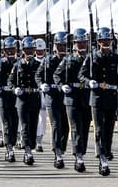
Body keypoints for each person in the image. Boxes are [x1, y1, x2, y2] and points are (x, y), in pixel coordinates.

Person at [78, 27, 118, 176]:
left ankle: (106, 153)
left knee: (108, 129)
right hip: (97, 98)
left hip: (112, 98)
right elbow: (81, 75)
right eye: (102, 40)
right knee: (99, 129)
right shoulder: (92, 57)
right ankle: (102, 158)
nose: (105, 43)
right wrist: (89, 82)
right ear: (98, 42)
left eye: (108, 40)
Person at [53, 28, 91, 173]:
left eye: (83, 43)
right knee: (75, 127)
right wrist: (61, 86)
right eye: (78, 43)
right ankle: (78, 156)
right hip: (71, 97)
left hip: (87, 97)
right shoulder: (68, 60)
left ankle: (82, 152)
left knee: (85, 128)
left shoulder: (91, 59)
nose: (81, 45)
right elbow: (57, 75)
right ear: (74, 44)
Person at [36, 31, 69, 169]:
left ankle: (61, 148)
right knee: (56, 124)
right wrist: (42, 85)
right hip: (52, 96)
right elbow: (38, 76)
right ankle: (58, 152)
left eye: (63, 45)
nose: (61, 48)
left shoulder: (69, 59)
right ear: (54, 45)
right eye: (59, 45)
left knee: (66, 127)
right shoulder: (48, 60)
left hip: (67, 97)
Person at [8, 36, 41, 165]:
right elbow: (10, 81)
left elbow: (43, 78)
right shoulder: (17, 65)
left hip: (34, 98)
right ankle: (28, 151)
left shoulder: (39, 64)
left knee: (33, 125)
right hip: (21, 100)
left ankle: (30, 146)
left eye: (31, 50)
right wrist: (14, 89)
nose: (29, 52)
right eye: (26, 50)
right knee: (25, 125)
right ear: (22, 51)